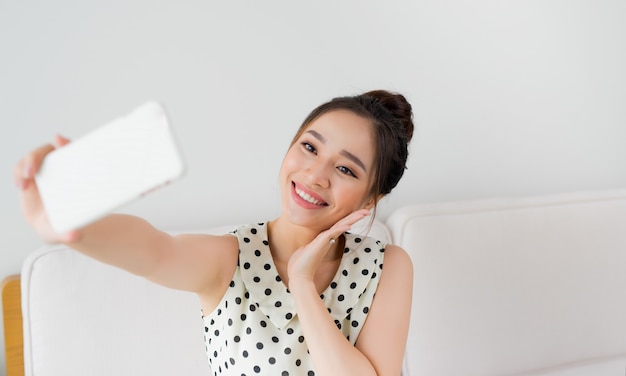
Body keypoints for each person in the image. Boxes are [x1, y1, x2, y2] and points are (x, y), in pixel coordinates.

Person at [14, 90, 414, 376]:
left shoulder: (387, 266)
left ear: (369, 199)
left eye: (345, 169)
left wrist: (303, 283)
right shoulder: (231, 258)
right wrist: (70, 220)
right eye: (310, 147)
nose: (315, 174)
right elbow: (156, 251)